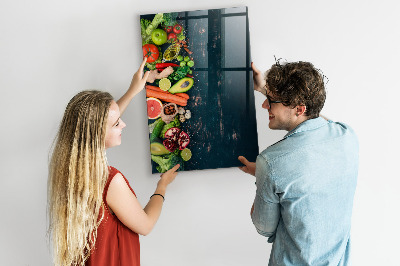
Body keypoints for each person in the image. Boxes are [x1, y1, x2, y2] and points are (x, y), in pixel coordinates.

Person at [47, 58, 180, 266]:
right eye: (117, 124)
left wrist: (133, 90)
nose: (124, 124)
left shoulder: (70, 170)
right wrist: (162, 186)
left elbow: (102, 121)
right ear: (98, 133)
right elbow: (145, 225)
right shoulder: (110, 181)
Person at [239, 60, 359, 265]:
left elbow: (264, 228)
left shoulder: (270, 162)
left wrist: (263, 176)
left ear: (299, 108)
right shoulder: (347, 135)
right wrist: (263, 89)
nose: (264, 105)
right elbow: (315, 118)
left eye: (271, 100)